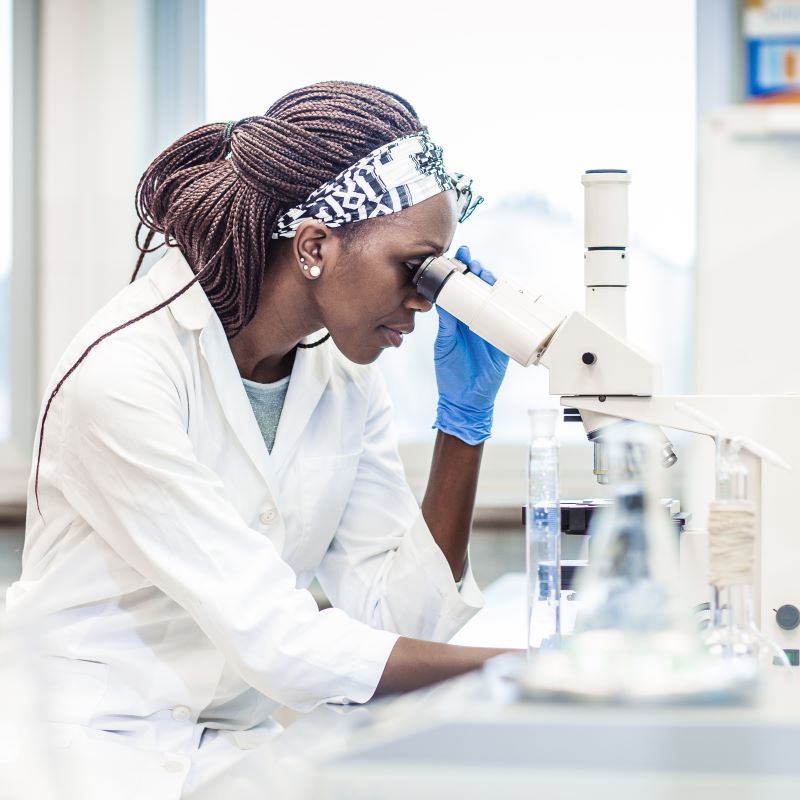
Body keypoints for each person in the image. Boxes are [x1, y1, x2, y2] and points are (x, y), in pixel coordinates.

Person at [5, 81, 510, 798]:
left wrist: (462, 430)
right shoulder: (123, 375)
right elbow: (277, 640)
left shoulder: (343, 376)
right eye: (413, 267)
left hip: (229, 749)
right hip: (82, 750)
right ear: (314, 246)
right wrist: (530, 670)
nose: (425, 300)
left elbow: (396, 621)